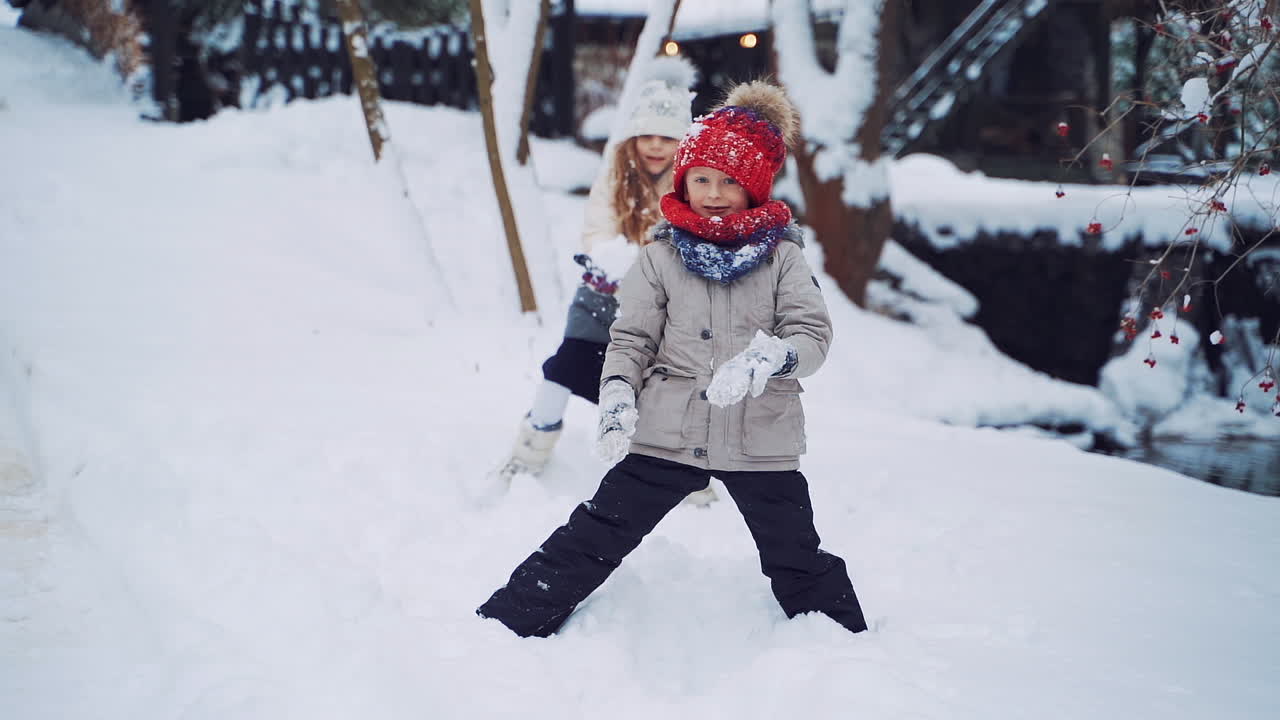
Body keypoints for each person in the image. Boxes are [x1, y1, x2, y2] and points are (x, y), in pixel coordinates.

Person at [476, 80, 868, 638]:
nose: (712, 191)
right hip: (668, 430)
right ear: (683, 182)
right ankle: (510, 623)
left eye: (729, 180)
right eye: (701, 179)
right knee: (598, 530)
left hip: (760, 436)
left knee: (795, 552)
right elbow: (631, 338)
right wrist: (615, 394)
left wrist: (773, 360)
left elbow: (812, 334)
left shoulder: (783, 258)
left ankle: (845, 648)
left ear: (754, 186)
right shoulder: (661, 256)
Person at [495, 57, 719, 506]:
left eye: (667, 137)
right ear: (632, 137)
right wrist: (610, 257)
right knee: (565, 367)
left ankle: (687, 474)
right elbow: (597, 230)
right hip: (601, 295)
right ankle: (529, 452)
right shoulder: (614, 174)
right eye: (647, 136)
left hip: (663, 311)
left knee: (660, 387)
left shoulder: (694, 186)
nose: (655, 146)